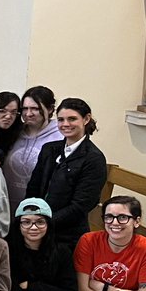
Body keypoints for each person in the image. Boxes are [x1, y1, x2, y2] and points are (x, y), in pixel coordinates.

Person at [25, 97, 108, 248]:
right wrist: (30, 216)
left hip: (67, 235)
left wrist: (43, 222)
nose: (65, 124)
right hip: (38, 227)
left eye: (72, 119)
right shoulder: (49, 149)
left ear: (86, 119)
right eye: (61, 120)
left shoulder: (94, 159)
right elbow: (34, 187)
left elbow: (81, 206)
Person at [76, 195, 146, 291]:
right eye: (108, 217)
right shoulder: (88, 241)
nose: (114, 222)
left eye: (122, 217)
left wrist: (103, 288)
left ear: (137, 222)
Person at [7, 198, 78, 291]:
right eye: (26, 222)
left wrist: (32, 286)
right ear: (18, 225)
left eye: (40, 222)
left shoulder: (62, 252)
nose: (34, 227)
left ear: (48, 224)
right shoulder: (7, 250)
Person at [3, 86, 62, 212]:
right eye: (25, 109)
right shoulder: (13, 131)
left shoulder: (59, 136)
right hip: (5, 206)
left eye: (35, 108)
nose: (28, 114)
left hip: (37, 211)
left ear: (50, 108)